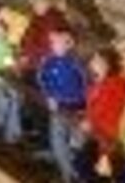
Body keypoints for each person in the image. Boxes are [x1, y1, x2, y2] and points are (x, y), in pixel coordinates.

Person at [37, 30, 89, 183]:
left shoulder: (76, 62)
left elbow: (85, 84)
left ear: (68, 44)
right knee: (58, 140)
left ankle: (74, 170)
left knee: (77, 141)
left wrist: (84, 105)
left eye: (60, 42)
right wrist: (49, 96)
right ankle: (68, 174)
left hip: (76, 107)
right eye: (55, 42)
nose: (55, 45)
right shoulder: (48, 61)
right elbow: (42, 78)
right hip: (59, 106)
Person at [82, 47, 125, 180]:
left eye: (96, 60)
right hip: (101, 137)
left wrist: (89, 122)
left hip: (109, 140)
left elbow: (104, 110)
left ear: (106, 64)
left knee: (104, 174)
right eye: (93, 59)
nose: (92, 62)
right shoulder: (99, 84)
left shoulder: (116, 84)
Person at [19, 0, 70, 73]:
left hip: (41, 62)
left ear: (48, 3)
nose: (35, 6)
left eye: (38, 3)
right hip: (33, 59)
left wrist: (28, 56)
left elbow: (47, 44)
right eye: (34, 4)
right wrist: (24, 52)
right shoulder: (37, 18)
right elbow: (29, 36)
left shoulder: (52, 20)